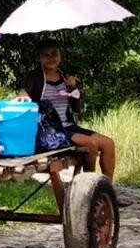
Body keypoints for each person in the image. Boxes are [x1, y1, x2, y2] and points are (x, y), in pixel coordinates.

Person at [15, 39, 130, 205]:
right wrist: (24, 95)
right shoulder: (34, 77)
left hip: (68, 126)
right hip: (49, 129)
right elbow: (23, 92)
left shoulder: (66, 76)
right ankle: (90, 190)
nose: (50, 58)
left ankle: (108, 193)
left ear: (60, 56)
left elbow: (76, 108)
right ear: (39, 58)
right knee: (90, 144)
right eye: (45, 55)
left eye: (54, 54)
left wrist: (73, 88)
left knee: (108, 143)